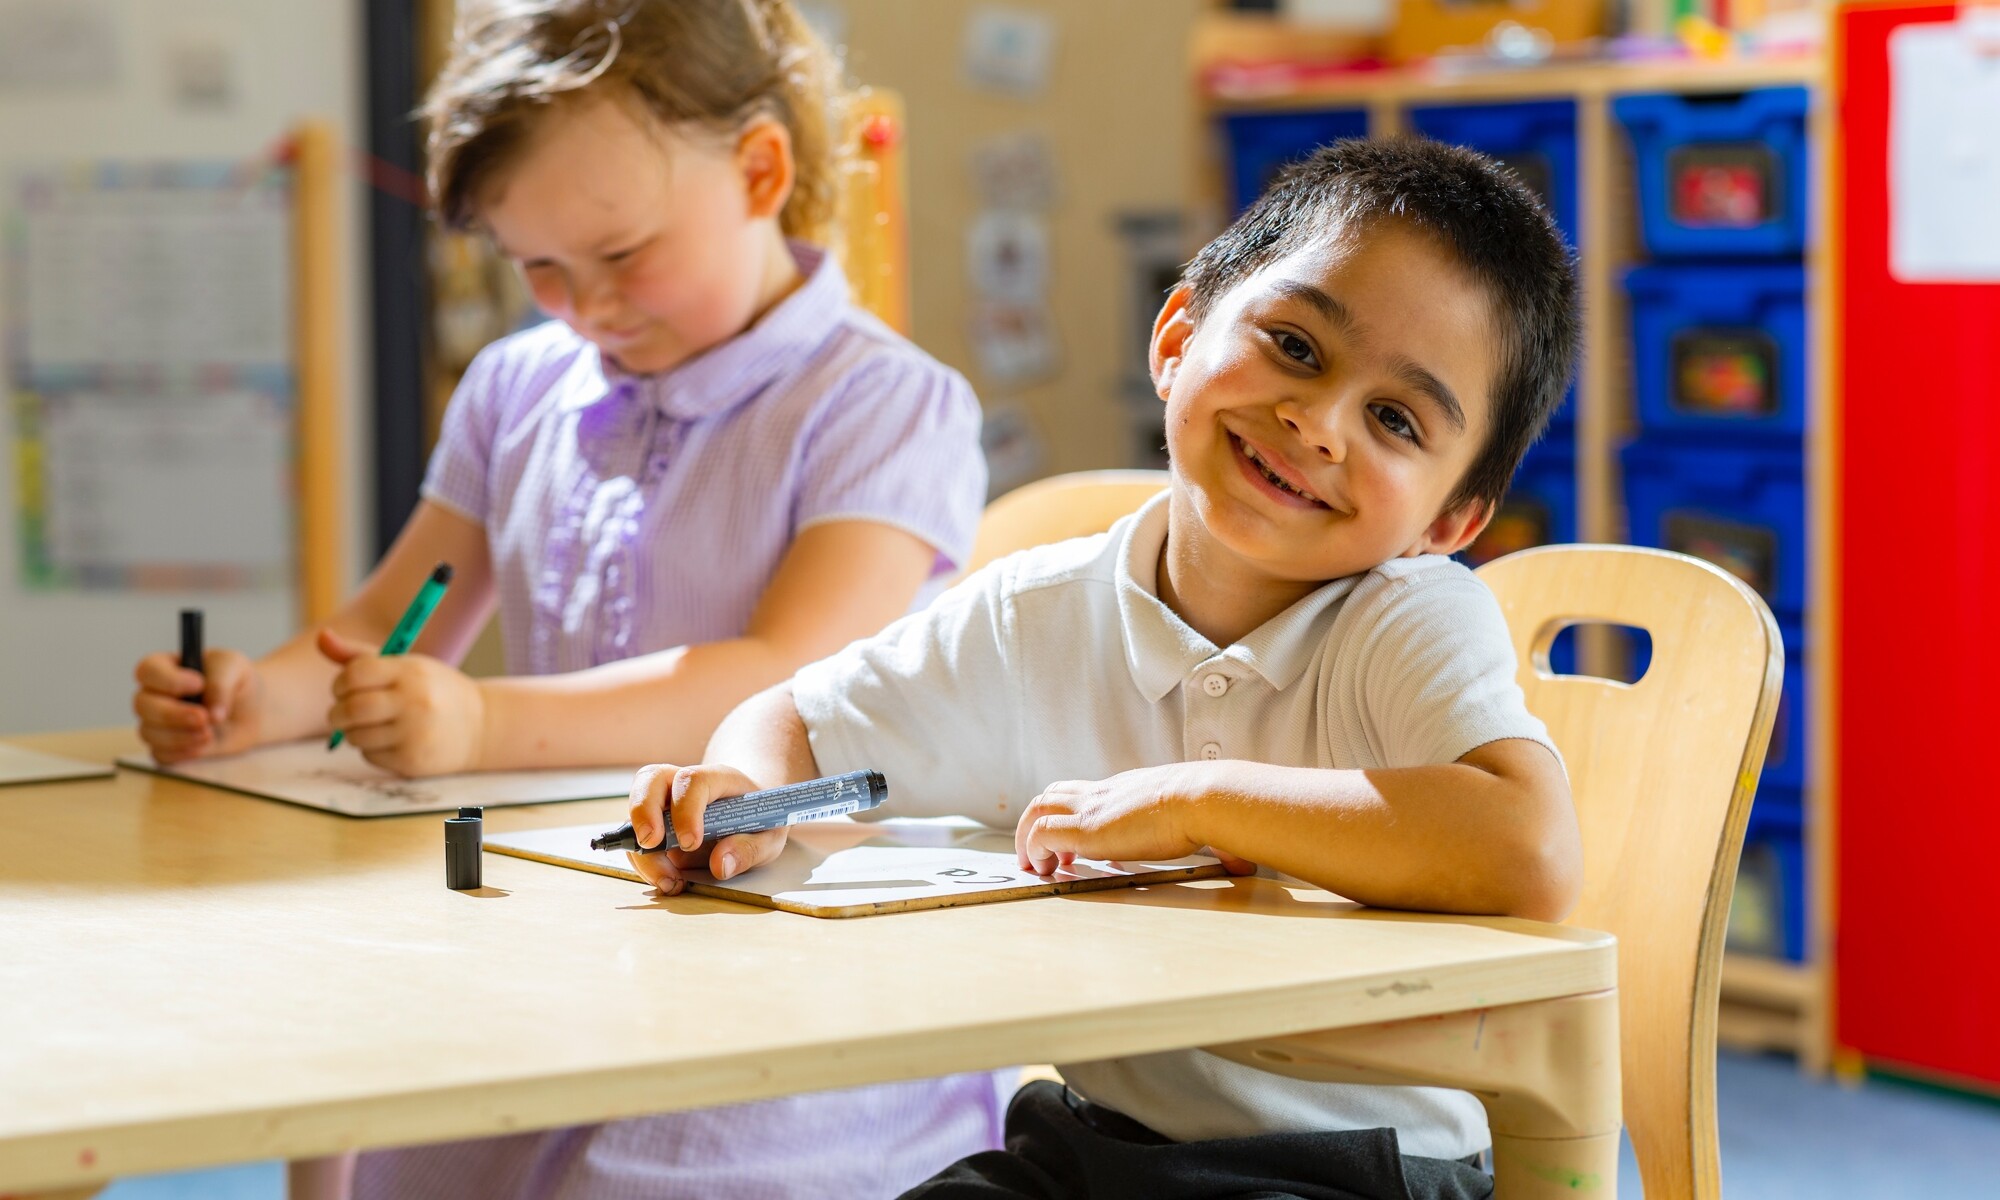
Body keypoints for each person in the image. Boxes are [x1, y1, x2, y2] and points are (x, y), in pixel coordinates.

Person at [131, 1, 1004, 1195]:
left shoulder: (884, 403)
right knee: (407, 1142)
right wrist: (251, 701)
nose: (585, 305)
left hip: (784, 954)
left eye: (623, 254)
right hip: (554, 920)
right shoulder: (514, 386)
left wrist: (480, 722)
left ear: (759, 172)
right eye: (536, 265)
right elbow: (389, 622)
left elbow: (784, 679)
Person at [624, 137, 1584, 1200]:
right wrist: (749, 797)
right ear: (1176, 338)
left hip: (1351, 1170)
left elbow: (1528, 850)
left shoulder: (1409, 619)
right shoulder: (1030, 613)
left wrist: (1196, 803)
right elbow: (795, 721)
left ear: (1448, 521)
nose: (1315, 425)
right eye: (1295, 347)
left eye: (1394, 420)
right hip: (1095, 1145)